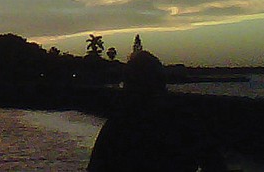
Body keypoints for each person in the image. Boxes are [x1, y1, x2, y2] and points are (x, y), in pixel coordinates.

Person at [88, 50, 227, 171]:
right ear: (161, 82)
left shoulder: (117, 126)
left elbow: (96, 167)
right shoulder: (184, 122)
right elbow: (214, 163)